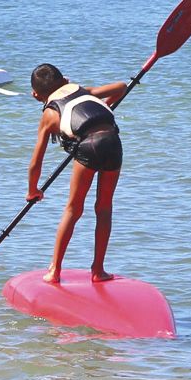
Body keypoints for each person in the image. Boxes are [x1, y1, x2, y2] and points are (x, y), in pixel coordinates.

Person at [26, 64, 129, 283]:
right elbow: (121, 87)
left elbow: (36, 160)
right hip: (113, 142)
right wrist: (105, 107)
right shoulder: (83, 91)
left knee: (74, 209)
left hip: (88, 147)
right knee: (104, 207)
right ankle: (98, 270)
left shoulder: (49, 113)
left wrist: (32, 190)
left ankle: (55, 271)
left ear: (36, 95)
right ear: (64, 80)